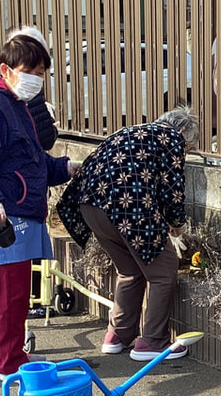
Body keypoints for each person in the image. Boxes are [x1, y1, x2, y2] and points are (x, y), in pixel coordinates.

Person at [0, 26, 78, 379]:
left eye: (41, 73)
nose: (35, 80)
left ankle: (3, 354)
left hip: (14, 206)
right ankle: (10, 362)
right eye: (30, 72)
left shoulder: (13, 104)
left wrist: (64, 167)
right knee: (13, 293)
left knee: (12, 292)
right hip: (5, 212)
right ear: (6, 70)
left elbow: (30, 161)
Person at [56, 106, 199, 362]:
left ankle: (117, 335)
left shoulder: (130, 131)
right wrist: (177, 223)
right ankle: (153, 342)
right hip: (128, 209)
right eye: (188, 148)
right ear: (183, 131)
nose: (185, 152)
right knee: (163, 269)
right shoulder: (172, 138)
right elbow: (172, 189)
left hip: (90, 206)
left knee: (130, 270)